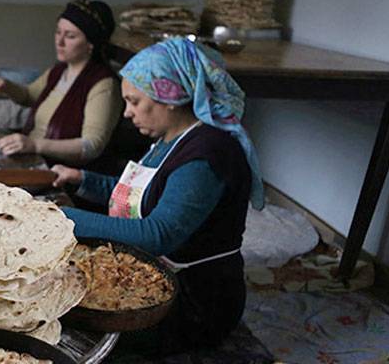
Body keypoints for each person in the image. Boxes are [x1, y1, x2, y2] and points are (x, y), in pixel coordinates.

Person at [51, 37, 265, 355]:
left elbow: (156, 234)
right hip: (155, 277)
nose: (127, 113)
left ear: (170, 97)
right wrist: (82, 179)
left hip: (194, 302)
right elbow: (141, 194)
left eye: (135, 102)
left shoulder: (206, 154)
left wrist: (61, 219)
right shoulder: (170, 139)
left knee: (67, 328)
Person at [0, 0, 145, 173]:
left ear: (90, 44)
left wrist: (35, 145)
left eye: (70, 36)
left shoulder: (104, 85)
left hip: (65, 174)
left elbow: (91, 146)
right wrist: (8, 87)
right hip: (37, 162)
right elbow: (30, 96)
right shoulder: (59, 70)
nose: (59, 42)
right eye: (58, 32)